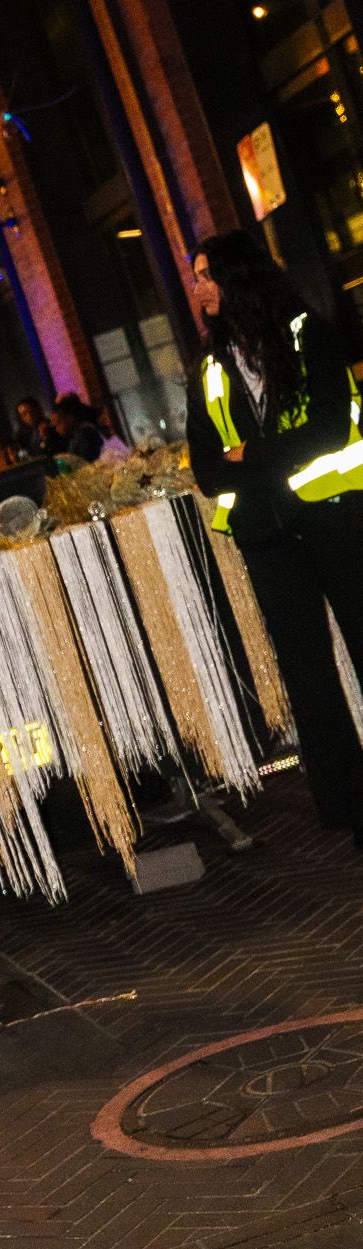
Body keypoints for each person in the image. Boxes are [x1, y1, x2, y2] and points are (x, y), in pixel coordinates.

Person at [185, 230, 363, 844]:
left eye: (206, 275)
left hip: (337, 516)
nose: (198, 288)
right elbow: (208, 471)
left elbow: (330, 431)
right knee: (308, 677)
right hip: (266, 536)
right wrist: (261, 457)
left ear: (241, 278)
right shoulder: (208, 368)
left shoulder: (310, 335)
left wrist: (252, 454)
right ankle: (349, 805)